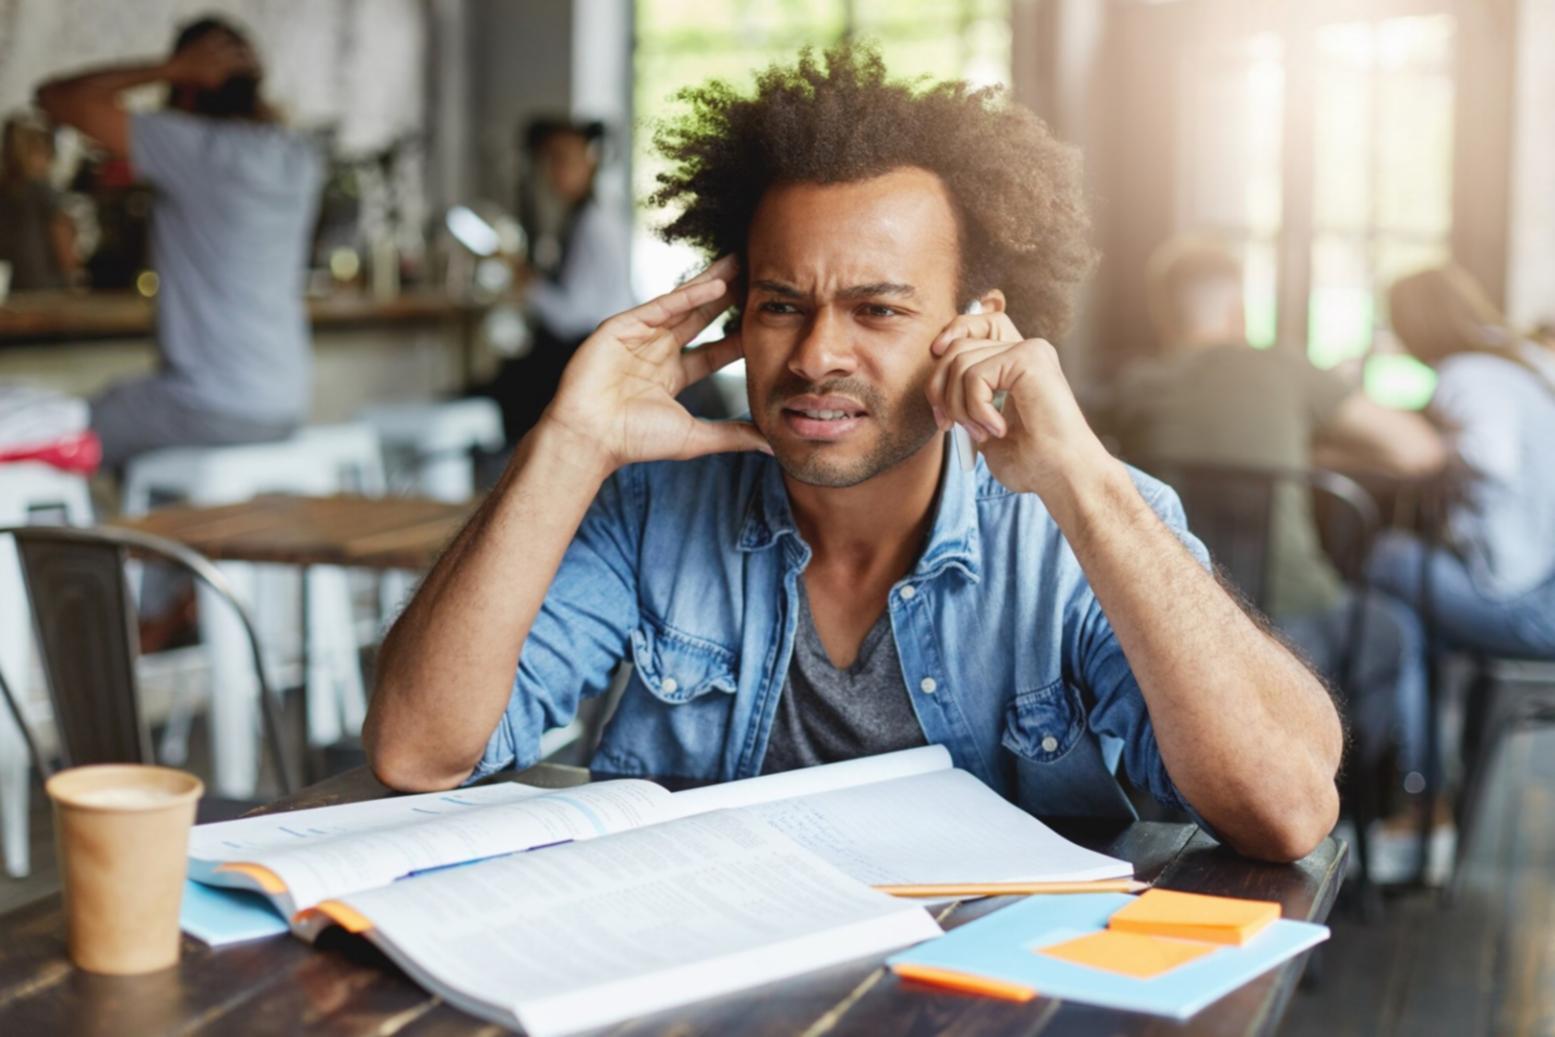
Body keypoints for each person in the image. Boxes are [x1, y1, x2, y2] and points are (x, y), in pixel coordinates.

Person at [365, 46, 1343, 863]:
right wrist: (566, 439)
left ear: (976, 328)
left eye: (877, 309)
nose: (818, 353)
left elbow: (1285, 805)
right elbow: (418, 750)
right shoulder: (650, 510)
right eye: (783, 304)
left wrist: (1081, 477)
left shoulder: (1075, 527)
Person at [1113, 235, 1447, 786]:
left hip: (1176, 613)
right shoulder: (1284, 368)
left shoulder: (1137, 389)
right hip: (1292, 615)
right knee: (1394, 630)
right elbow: (1418, 451)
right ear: (1239, 307)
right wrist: (1311, 454)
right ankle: (1392, 803)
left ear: (1165, 314)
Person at [36, 16, 324, 470]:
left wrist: (168, 69)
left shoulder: (198, 149)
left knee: (50, 438)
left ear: (189, 85)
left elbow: (55, 98)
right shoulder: (298, 155)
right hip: (285, 400)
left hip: (206, 404)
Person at [1368, 264, 1555, 660]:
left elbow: (1491, 456)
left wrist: (1431, 449)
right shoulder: (1527, 362)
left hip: (1526, 607)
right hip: (1545, 591)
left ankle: (1410, 721)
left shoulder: (1466, 373)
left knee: (1382, 557)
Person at [484, 117, 636, 443]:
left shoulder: (593, 226)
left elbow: (571, 316)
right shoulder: (581, 220)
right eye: (548, 161)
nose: (554, 171)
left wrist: (526, 280)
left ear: (590, 162)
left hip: (586, 353)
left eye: (563, 159)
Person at [0, 113, 77, 292]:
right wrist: (73, 274)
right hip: (49, 286)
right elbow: (60, 231)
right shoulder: (42, 191)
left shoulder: (8, 195)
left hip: (20, 286)